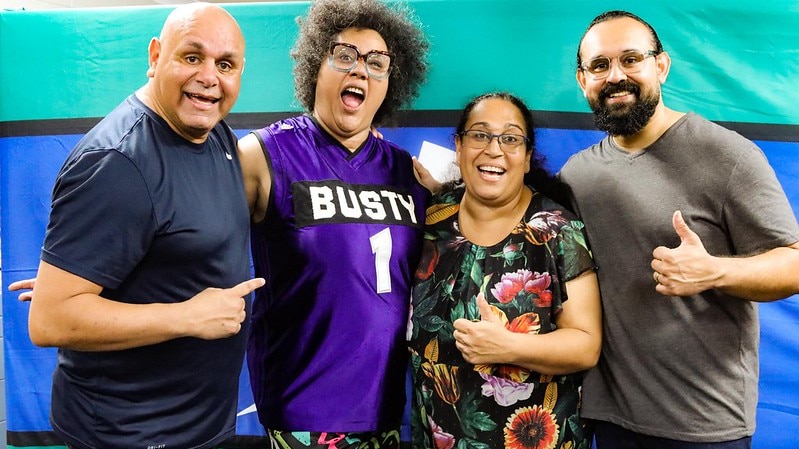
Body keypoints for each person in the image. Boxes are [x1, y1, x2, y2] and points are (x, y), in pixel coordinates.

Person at [10, 4, 264, 448]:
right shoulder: (118, 163)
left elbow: (175, 238)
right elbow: (48, 322)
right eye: (192, 57)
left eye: (225, 65)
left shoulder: (215, 134)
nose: (209, 77)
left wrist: (96, 278)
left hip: (198, 425)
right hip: (128, 433)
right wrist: (185, 315)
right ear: (155, 56)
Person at [559, 10, 799, 449]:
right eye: (599, 65)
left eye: (631, 59)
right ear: (583, 80)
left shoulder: (728, 156)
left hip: (703, 423)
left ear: (661, 66)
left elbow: (794, 263)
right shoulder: (578, 175)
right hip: (607, 417)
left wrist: (716, 272)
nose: (616, 76)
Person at [236, 0, 430, 447]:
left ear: (388, 85)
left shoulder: (409, 173)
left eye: (376, 63)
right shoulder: (264, 155)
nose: (360, 71)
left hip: (385, 407)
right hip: (304, 407)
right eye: (345, 55)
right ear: (315, 69)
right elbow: (191, 233)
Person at [407, 92, 602, 449]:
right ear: (460, 146)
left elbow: (586, 345)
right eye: (480, 135)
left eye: (510, 138)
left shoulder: (558, 230)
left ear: (527, 158)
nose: (494, 150)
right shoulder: (432, 220)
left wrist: (509, 346)